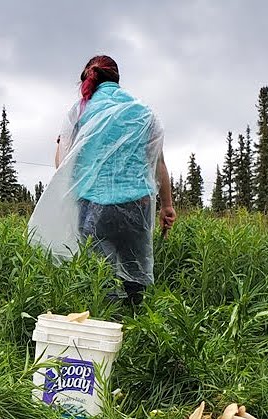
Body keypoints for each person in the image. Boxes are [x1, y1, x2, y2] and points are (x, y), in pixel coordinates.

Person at [29, 55, 175, 305]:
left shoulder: (81, 110)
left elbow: (62, 162)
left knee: (102, 278)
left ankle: (105, 333)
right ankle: (134, 329)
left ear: (89, 78)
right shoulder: (143, 112)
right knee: (135, 275)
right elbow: (158, 163)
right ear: (117, 78)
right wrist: (167, 206)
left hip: (95, 207)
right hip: (137, 205)